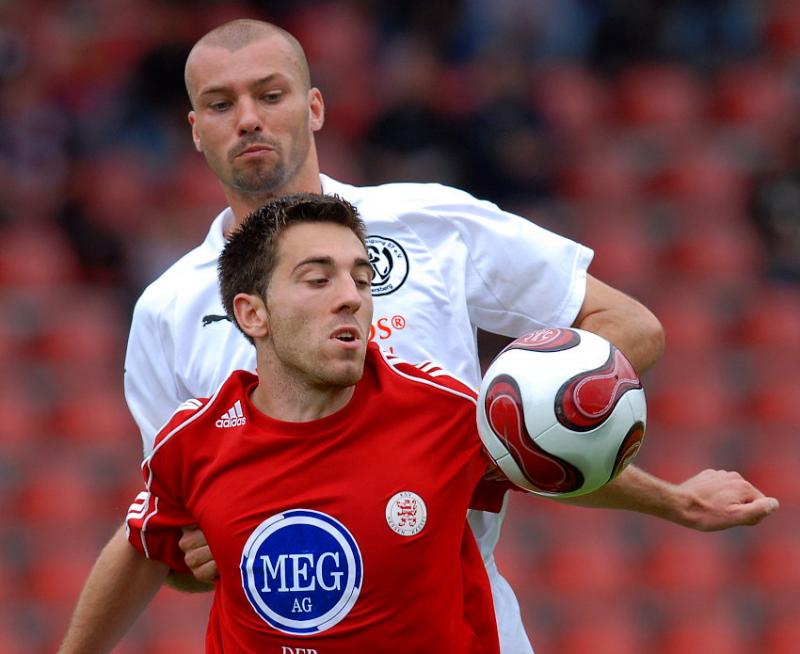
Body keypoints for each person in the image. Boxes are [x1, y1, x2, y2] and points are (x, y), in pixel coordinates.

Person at [117, 18, 778, 654]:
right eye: (220, 103)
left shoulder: (430, 223)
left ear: (314, 106)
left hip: (462, 616)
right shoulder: (166, 313)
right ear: (196, 130)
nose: (249, 118)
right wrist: (191, 557)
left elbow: (627, 329)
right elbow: (174, 534)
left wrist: (546, 427)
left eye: (270, 94)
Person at [60, 193, 515, 653]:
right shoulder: (193, 440)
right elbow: (144, 548)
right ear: (252, 314)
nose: (351, 298)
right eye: (318, 280)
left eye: (362, 280)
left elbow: (578, 480)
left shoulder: (450, 413)